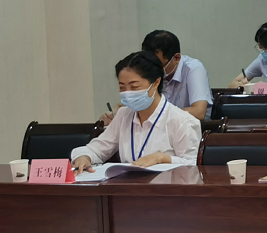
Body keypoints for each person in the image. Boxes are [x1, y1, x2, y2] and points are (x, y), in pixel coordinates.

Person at [72, 51, 202, 172]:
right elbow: (97, 149)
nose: (127, 93)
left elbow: (193, 166)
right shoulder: (124, 115)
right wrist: (84, 157)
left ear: (156, 83)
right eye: (122, 87)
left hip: (167, 187)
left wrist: (162, 158)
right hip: (129, 186)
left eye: (134, 87)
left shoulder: (182, 121)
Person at [130, 30, 211, 121]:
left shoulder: (193, 69)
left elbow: (199, 112)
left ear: (177, 58)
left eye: (158, 65)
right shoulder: (147, 70)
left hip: (192, 126)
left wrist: (159, 114)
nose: (153, 70)